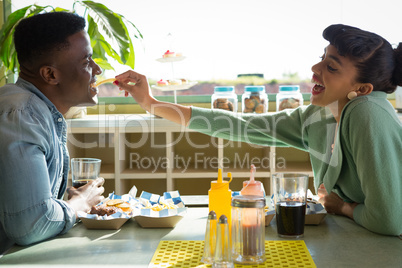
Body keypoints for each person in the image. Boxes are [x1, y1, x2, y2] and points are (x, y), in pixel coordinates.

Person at [114, 24, 402, 236]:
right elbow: (241, 125)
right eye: (321, 57)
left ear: (362, 89)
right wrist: (151, 104)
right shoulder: (323, 113)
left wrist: (343, 208)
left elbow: (389, 220)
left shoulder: (367, 112)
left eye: (332, 66)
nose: (315, 68)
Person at [0, 12, 105, 253]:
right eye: (87, 61)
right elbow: (30, 225)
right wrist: (80, 203)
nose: (97, 70)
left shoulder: (37, 109)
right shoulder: (22, 115)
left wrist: (73, 205)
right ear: (50, 74)